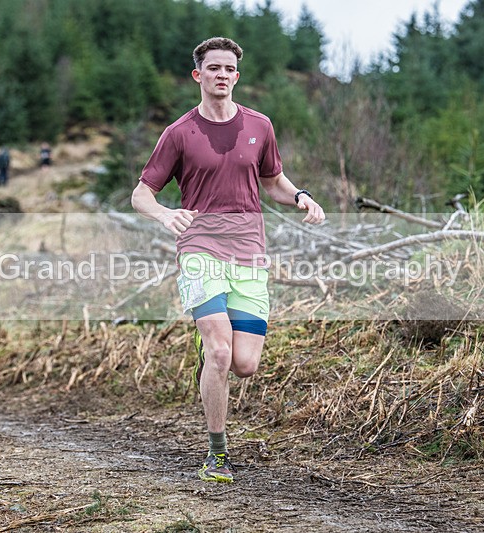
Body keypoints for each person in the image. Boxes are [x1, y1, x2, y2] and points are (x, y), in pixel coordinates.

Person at [131, 37, 325, 483]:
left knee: (244, 364)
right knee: (220, 352)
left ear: (237, 76)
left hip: (249, 252)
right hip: (199, 249)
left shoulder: (259, 126)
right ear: (198, 75)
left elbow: (273, 181)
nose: (222, 74)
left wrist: (300, 196)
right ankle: (217, 454)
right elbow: (141, 194)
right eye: (213, 68)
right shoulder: (179, 133)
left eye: (229, 69)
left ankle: (210, 351)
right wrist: (164, 214)